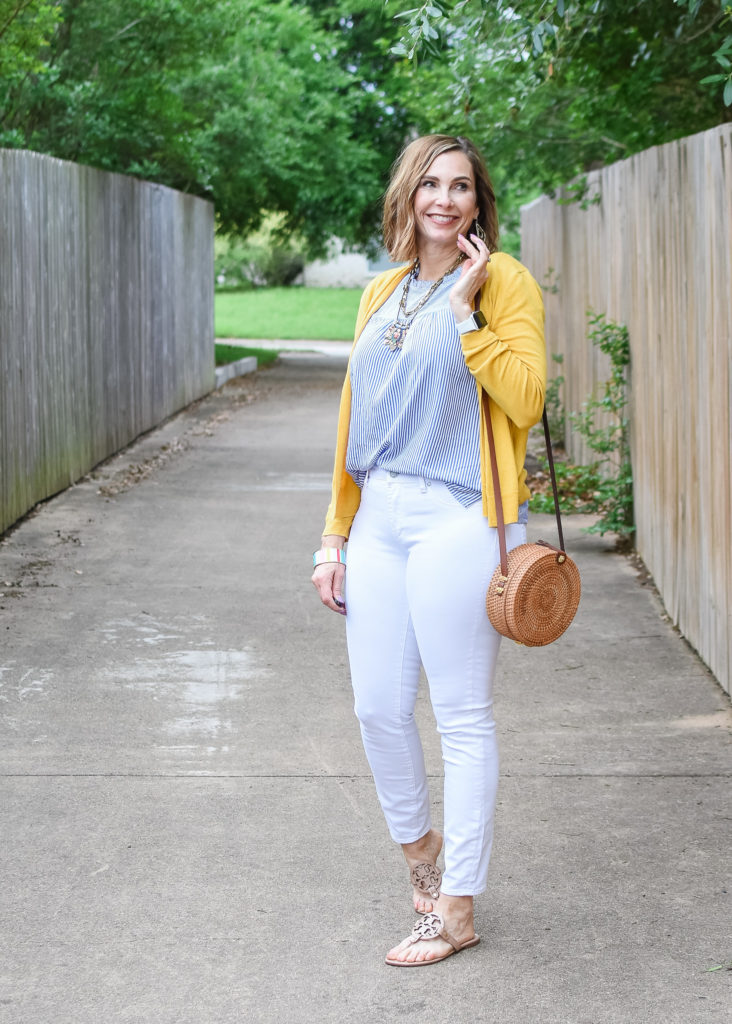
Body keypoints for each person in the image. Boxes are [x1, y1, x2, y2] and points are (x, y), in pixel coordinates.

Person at [311, 134, 546, 966]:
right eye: (430, 185)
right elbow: (356, 423)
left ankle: (456, 908)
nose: (444, 200)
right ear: (408, 197)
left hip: (461, 515)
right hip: (379, 515)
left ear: (479, 203)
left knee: (462, 715)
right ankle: (421, 851)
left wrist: (469, 312)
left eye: (461, 187)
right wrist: (333, 534)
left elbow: (525, 398)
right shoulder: (382, 290)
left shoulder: (504, 281)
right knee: (377, 707)